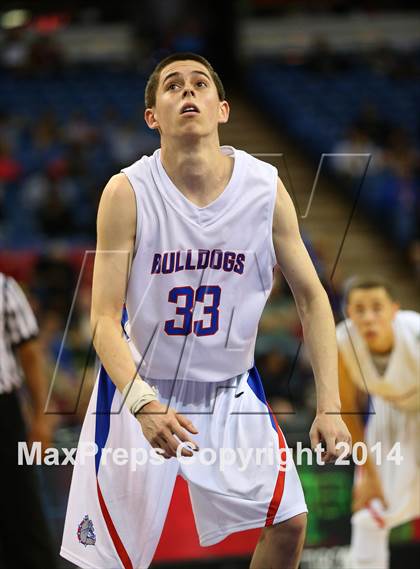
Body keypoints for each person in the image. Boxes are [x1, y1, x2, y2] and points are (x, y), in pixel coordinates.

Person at [60, 52, 351, 569]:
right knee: (105, 562)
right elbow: (103, 318)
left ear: (223, 108)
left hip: (229, 389)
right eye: (173, 86)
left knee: (289, 526)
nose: (188, 91)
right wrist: (143, 404)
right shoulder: (126, 192)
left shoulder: (264, 188)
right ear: (153, 116)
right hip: (141, 386)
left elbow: (311, 296)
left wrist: (329, 405)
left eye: (200, 84)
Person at [337, 276, 420, 569]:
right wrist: (368, 473)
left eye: (377, 307)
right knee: (369, 511)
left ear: (394, 310)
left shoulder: (416, 331)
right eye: (359, 309)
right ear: (348, 312)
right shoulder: (341, 341)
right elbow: (347, 410)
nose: (368, 317)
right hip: (388, 410)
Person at [0, 271, 57, 569]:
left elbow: (31, 354)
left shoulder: (5, 288)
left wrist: (41, 419)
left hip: (4, 417)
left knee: (22, 512)